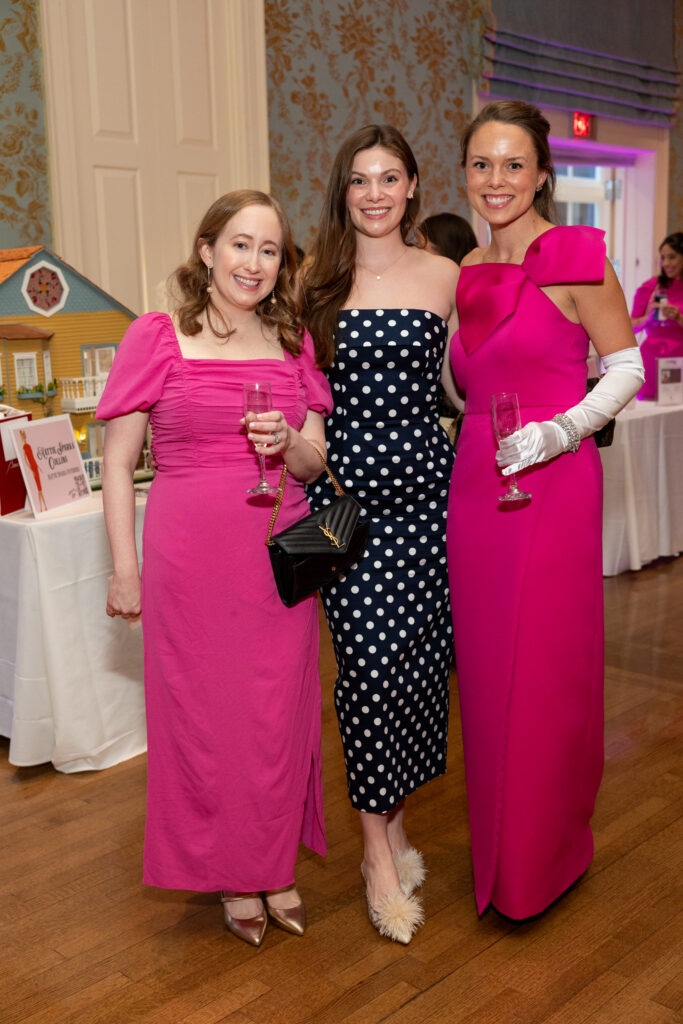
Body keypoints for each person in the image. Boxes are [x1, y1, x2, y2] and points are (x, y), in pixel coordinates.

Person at [96, 190, 332, 948]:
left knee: (275, 714)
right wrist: (122, 569)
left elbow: (314, 461)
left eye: (268, 250)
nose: (253, 263)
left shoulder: (294, 342)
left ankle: (270, 861)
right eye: (239, 245)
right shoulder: (158, 335)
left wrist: (289, 436)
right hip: (189, 555)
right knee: (205, 717)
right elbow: (117, 459)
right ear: (206, 252)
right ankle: (233, 870)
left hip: (279, 552)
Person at [446, 100, 644, 920]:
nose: (496, 181)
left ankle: (543, 857)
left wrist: (559, 432)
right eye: (482, 165)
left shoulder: (573, 258)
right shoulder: (459, 275)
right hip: (475, 487)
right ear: (465, 175)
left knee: (544, 674)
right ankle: (497, 852)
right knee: (489, 674)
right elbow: (466, 384)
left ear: (542, 175)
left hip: (551, 487)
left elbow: (625, 368)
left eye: (513, 164)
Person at [301, 124, 459, 943]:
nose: (373, 193)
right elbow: (295, 393)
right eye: (359, 180)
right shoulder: (313, 283)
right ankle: (374, 855)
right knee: (364, 672)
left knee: (417, 671)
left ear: (410, 187)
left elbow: (464, 385)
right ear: (343, 191)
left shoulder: (443, 275)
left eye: (388, 178)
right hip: (346, 514)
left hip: (430, 506)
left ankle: (394, 820)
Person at [630, 232, 683, 399]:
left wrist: (678, 318)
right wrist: (647, 318)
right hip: (652, 357)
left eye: (672, 257)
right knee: (649, 408)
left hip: (679, 358)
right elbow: (630, 327)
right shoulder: (651, 286)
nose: (666, 263)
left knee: (676, 412)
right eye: (662, 257)